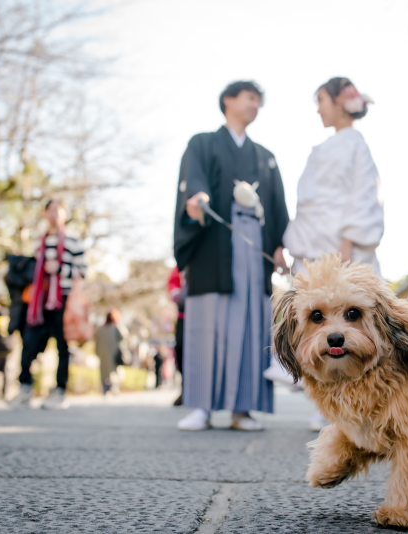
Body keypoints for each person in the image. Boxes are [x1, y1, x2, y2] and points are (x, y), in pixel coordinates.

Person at [173, 80, 289, 431]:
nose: (255, 105)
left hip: (253, 248)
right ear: (228, 100)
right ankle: (201, 407)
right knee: (205, 324)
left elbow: (277, 205)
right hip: (214, 244)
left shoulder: (265, 156)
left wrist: (279, 246)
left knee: (252, 326)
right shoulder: (202, 143)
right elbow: (194, 181)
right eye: (250, 98)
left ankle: (243, 409)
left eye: (258, 101)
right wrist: (198, 199)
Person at [275, 76, 384, 431]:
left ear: (339, 102)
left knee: (347, 328)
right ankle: (326, 405)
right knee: (315, 326)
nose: (318, 109)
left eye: (321, 101)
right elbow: (309, 204)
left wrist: (348, 245)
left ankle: (354, 408)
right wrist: (293, 245)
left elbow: (363, 194)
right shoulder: (324, 147)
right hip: (313, 246)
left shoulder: (356, 144)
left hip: (340, 249)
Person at [8, 199, 86, 410]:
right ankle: (25, 387)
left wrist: (59, 269)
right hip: (40, 301)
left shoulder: (73, 240)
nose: (54, 214)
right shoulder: (39, 241)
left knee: (62, 346)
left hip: (64, 299)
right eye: (50, 210)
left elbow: (83, 271)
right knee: (29, 342)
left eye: (58, 210)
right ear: (44, 213)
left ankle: (60, 390)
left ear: (65, 214)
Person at [167, 266, 186, 405]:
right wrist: (178, 294)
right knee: (180, 350)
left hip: (206, 314)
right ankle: (186, 388)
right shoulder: (181, 266)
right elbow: (172, 282)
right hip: (183, 316)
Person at [95, 309, 124, 395]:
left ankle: (105, 388)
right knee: (114, 371)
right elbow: (124, 337)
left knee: (104, 372)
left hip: (102, 354)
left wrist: (97, 352)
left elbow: (96, 342)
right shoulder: (116, 327)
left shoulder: (100, 329)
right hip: (113, 353)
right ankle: (113, 388)